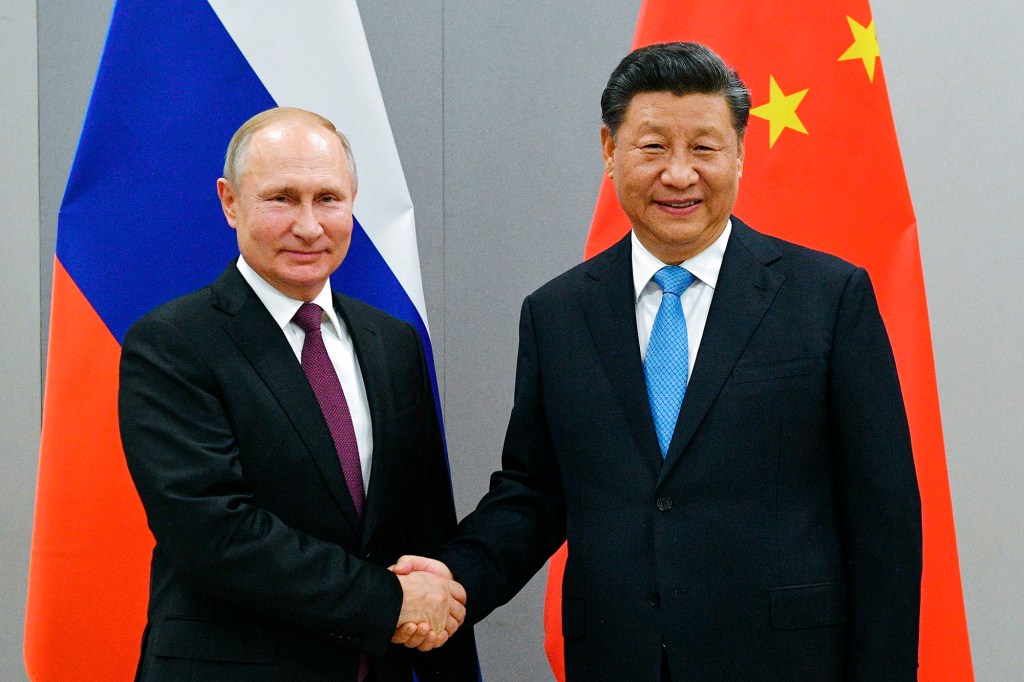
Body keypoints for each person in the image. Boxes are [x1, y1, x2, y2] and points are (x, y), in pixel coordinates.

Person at [395, 42, 922, 681]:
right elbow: (535, 492)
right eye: (652, 147)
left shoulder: (829, 298)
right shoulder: (558, 313)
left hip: (787, 660)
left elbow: (883, 518)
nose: (679, 174)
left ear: (740, 155)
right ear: (610, 151)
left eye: (704, 148)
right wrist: (454, 580)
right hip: (619, 659)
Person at [119, 107, 477, 681]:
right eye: (282, 198)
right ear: (230, 201)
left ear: (353, 200)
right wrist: (388, 603)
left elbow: (423, 526)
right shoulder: (172, 344)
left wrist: (438, 626)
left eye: (328, 199)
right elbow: (216, 534)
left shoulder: (393, 343)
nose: (309, 226)